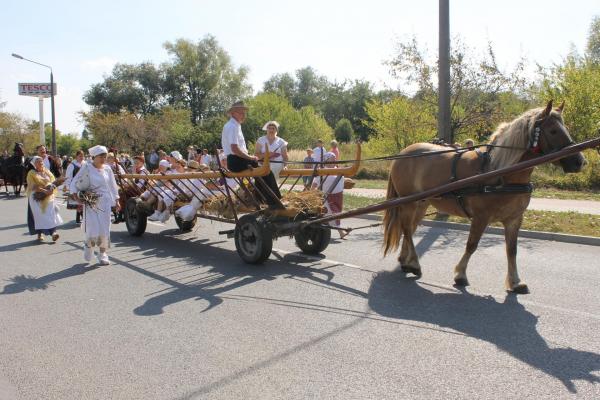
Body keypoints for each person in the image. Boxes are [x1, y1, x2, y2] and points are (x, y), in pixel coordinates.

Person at [221, 101, 282, 206]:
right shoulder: (232, 126)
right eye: (241, 113)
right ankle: (276, 201)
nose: (244, 115)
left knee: (262, 173)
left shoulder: (235, 125)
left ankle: (263, 199)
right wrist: (250, 157)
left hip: (237, 160)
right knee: (267, 172)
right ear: (233, 113)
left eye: (244, 113)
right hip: (236, 161)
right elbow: (234, 149)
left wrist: (250, 158)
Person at [70, 145, 120, 265]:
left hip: (105, 203)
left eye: (105, 156)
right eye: (101, 156)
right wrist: (76, 196)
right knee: (93, 229)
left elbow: (113, 186)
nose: (103, 159)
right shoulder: (86, 167)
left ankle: (102, 254)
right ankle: (88, 246)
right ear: (94, 157)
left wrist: (116, 200)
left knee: (104, 229)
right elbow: (75, 182)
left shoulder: (108, 169)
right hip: (91, 202)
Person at [26, 156, 63, 242]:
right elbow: (32, 186)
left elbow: (53, 181)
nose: (41, 163)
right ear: (34, 164)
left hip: (49, 196)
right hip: (36, 197)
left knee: (51, 214)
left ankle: (53, 233)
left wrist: (51, 189)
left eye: (42, 161)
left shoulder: (47, 171)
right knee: (39, 216)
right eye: (38, 162)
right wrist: (44, 191)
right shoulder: (31, 173)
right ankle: (40, 233)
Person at [311, 152, 347, 239]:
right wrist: (313, 193)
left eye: (335, 159)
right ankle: (340, 232)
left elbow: (342, 181)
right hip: (326, 196)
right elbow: (314, 185)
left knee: (337, 213)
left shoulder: (338, 170)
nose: (334, 161)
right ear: (326, 160)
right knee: (332, 213)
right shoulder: (321, 171)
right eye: (332, 159)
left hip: (338, 196)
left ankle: (331, 230)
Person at [64, 150, 86, 223]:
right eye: (80, 156)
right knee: (77, 201)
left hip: (83, 185)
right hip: (75, 186)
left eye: (82, 156)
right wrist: (68, 186)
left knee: (82, 201)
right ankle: (83, 218)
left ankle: (78, 218)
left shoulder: (85, 164)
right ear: (76, 156)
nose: (81, 157)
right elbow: (68, 176)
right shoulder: (72, 165)